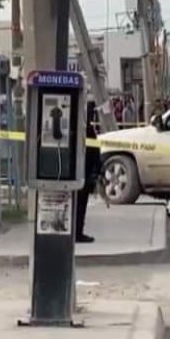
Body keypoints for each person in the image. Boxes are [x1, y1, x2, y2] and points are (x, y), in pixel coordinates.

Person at [75, 102, 101, 243]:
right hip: (83, 172)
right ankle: (77, 232)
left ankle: (77, 231)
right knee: (80, 205)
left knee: (80, 204)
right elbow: (95, 151)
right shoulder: (85, 129)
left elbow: (95, 151)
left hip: (84, 172)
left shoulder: (85, 128)